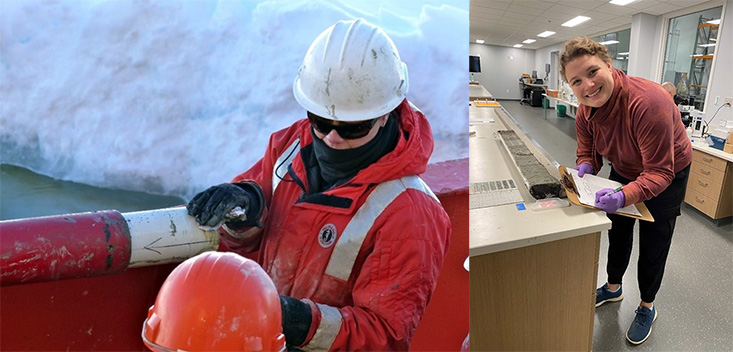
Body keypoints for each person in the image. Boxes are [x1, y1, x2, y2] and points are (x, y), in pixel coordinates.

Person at [186, 18, 451, 351]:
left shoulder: (410, 213)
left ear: (387, 113)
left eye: (352, 128)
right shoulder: (289, 146)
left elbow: (385, 336)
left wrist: (301, 323)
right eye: (321, 122)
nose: (332, 137)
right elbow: (249, 243)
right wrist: (246, 207)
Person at [560, 37, 692, 345]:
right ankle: (614, 287)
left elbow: (660, 171)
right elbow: (587, 149)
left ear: (609, 65)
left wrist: (624, 195)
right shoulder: (585, 109)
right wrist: (586, 165)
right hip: (626, 166)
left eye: (593, 72)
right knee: (617, 230)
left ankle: (647, 305)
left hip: (667, 172)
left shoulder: (648, 102)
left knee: (654, 238)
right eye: (576, 81)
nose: (588, 86)